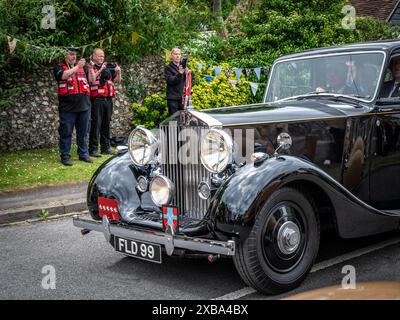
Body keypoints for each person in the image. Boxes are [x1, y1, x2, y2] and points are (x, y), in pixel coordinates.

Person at [54, 47, 92, 166]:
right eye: (71, 54)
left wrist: (90, 69)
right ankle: (65, 156)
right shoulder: (59, 67)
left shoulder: (83, 68)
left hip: (84, 105)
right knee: (66, 132)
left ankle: (83, 154)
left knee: (83, 132)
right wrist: (77, 67)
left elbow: (91, 80)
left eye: (75, 54)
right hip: (67, 107)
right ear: (65, 56)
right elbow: (63, 76)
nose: (74, 56)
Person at [86, 48, 122, 157]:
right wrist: (101, 69)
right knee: (96, 125)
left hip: (108, 100)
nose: (101, 58)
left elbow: (117, 81)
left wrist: (118, 72)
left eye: (103, 56)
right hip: (97, 100)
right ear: (93, 56)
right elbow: (91, 80)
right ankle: (93, 149)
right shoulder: (90, 67)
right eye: (99, 56)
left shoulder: (108, 68)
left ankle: (105, 148)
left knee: (106, 124)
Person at [164, 48, 190, 115]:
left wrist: (187, 74)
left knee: (183, 121)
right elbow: (170, 81)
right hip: (173, 99)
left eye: (179, 54)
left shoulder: (183, 67)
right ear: (171, 56)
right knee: (173, 122)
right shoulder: (168, 68)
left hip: (183, 99)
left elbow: (187, 82)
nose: (177, 56)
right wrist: (180, 73)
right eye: (175, 54)